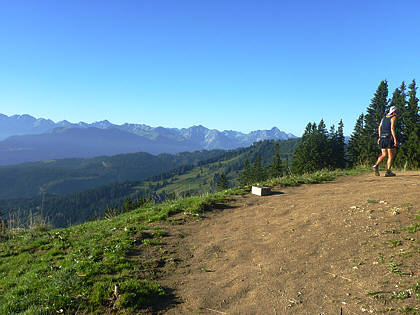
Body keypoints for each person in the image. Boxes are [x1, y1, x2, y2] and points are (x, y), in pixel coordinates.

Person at [372, 106, 398, 177]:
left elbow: (379, 127)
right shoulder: (393, 117)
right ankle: (388, 172)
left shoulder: (384, 118)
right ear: (394, 111)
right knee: (391, 156)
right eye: (396, 111)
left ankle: (376, 165)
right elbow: (392, 128)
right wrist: (395, 139)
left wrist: (379, 137)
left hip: (382, 138)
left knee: (384, 154)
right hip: (389, 138)